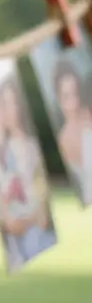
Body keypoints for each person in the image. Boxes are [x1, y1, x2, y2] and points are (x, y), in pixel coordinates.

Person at [0, 78, 57, 268]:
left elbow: (40, 189)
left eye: (12, 103)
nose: (10, 110)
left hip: (34, 223)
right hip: (12, 228)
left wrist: (34, 217)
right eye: (5, 104)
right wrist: (7, 220)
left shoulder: (30, 146)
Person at [52, 59, 92, 205]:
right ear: (59, 99)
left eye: (75, 94)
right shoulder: (62, 139)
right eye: (66, 96)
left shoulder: (88, 119)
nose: (73, 103)